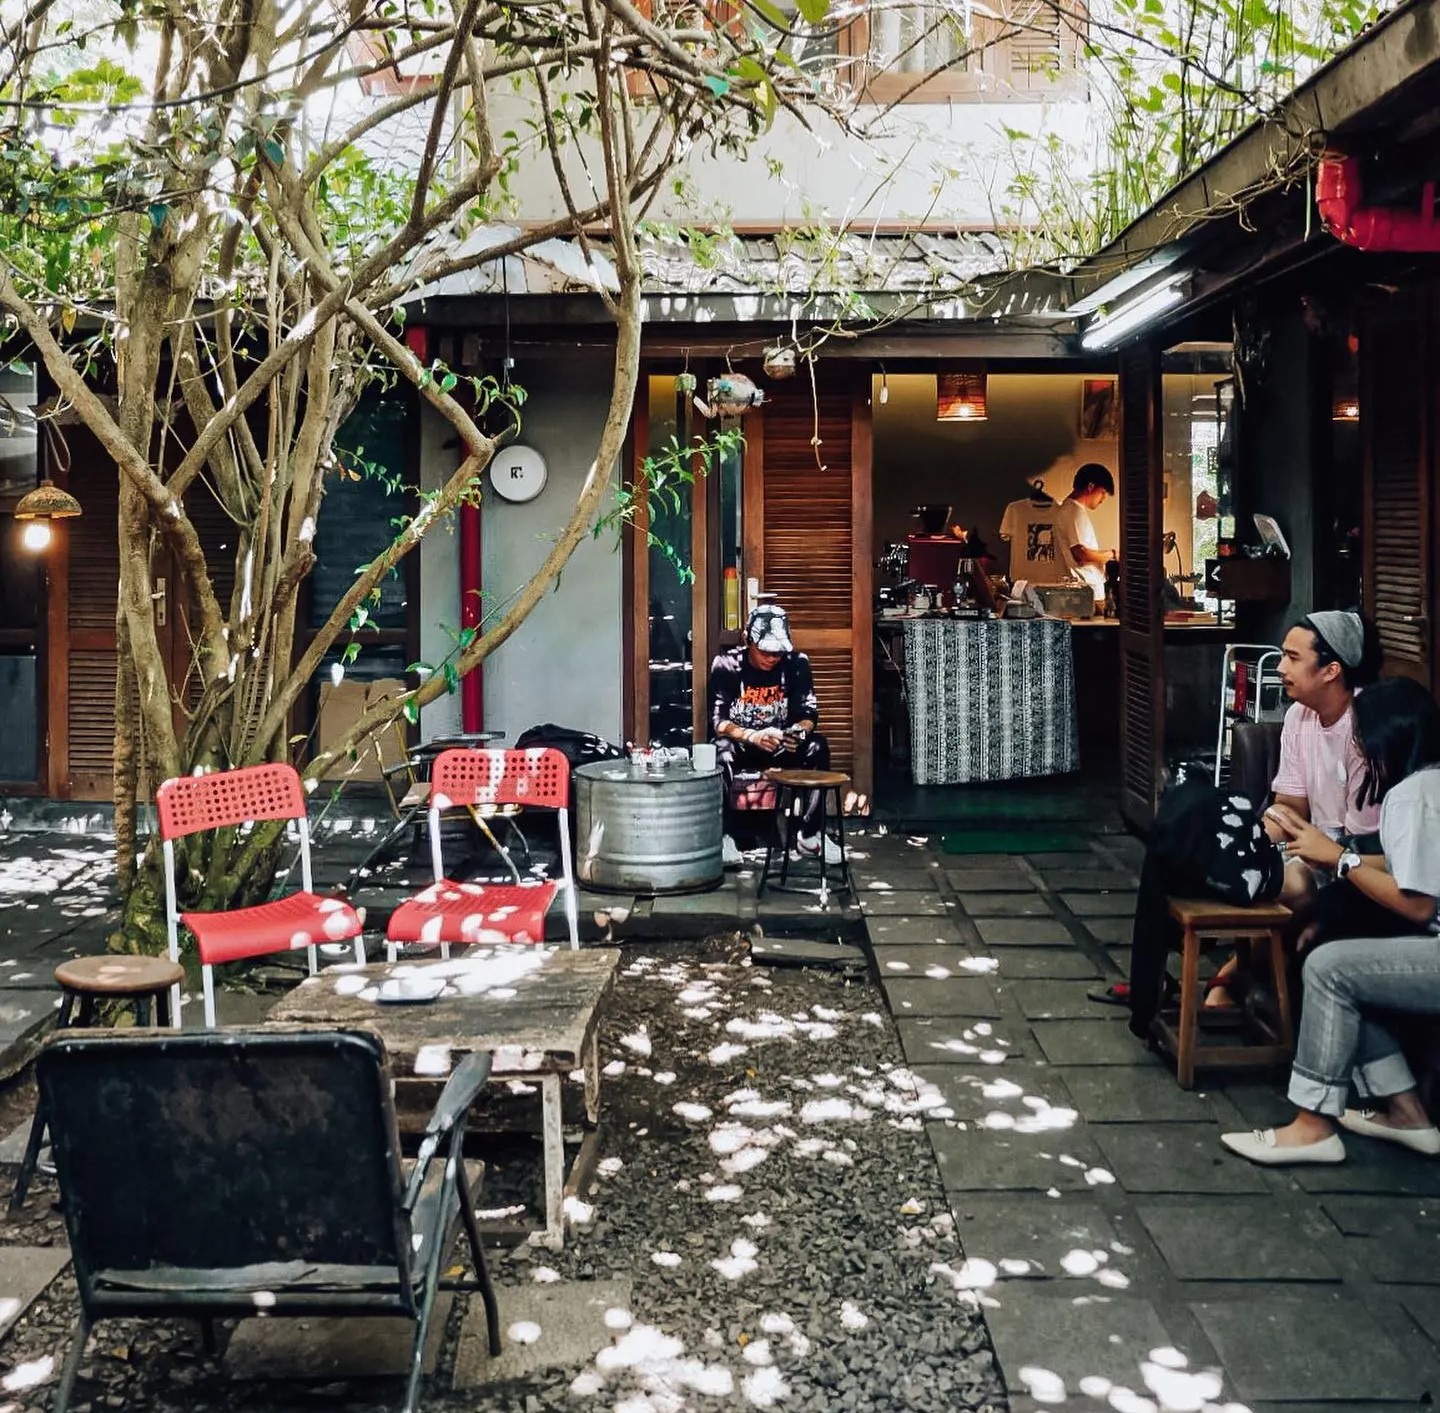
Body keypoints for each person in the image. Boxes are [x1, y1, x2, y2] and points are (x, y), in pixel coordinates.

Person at [1221, 676, 1440, 1165]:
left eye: (1362, 737)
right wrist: (1333, 858)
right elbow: (1410, 869)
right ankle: (1407, 1113)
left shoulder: (1413, 795)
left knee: (1329, 968)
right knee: (1333, 952)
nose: (1358, 748)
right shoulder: (1429, 784)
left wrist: (1341, 860)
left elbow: (1418, 904)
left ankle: (1312, 1126)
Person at [1204, 609, 1383, 1008]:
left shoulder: (1366, 729)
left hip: (1356, 859)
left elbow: (1362, 844)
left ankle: (1230, 976)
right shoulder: (1300, 715)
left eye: (1293, 658)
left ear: (1331, 670)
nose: (1281, 667)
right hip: (1311, 844)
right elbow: (1289, 805)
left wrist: (1304, 850)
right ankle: (1234, 975)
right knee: (1232, 865)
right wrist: (1255, 838)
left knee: (1288, 883)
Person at [709, 602, 841, 863]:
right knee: (718, 752)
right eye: (766, 651)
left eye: (779, 652)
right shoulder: (726, 664)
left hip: (783, 745)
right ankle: (725, 838)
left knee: (818, 747)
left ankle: (810, 834)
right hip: (744, 745)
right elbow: (718, 722)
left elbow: (808, 714)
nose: (772, 657)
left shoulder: (797, 664)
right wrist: (751, 736)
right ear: (748, 640)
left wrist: (798, 734)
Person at [1052, 464, 1115, 606]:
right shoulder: (1073, 511)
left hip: (1086, 591)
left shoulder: (1071, 510)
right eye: (1103, 492)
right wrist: (1113, 554)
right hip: (1087, 592)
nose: (1103, 498)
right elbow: (1080, 552)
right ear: (1091, 486)